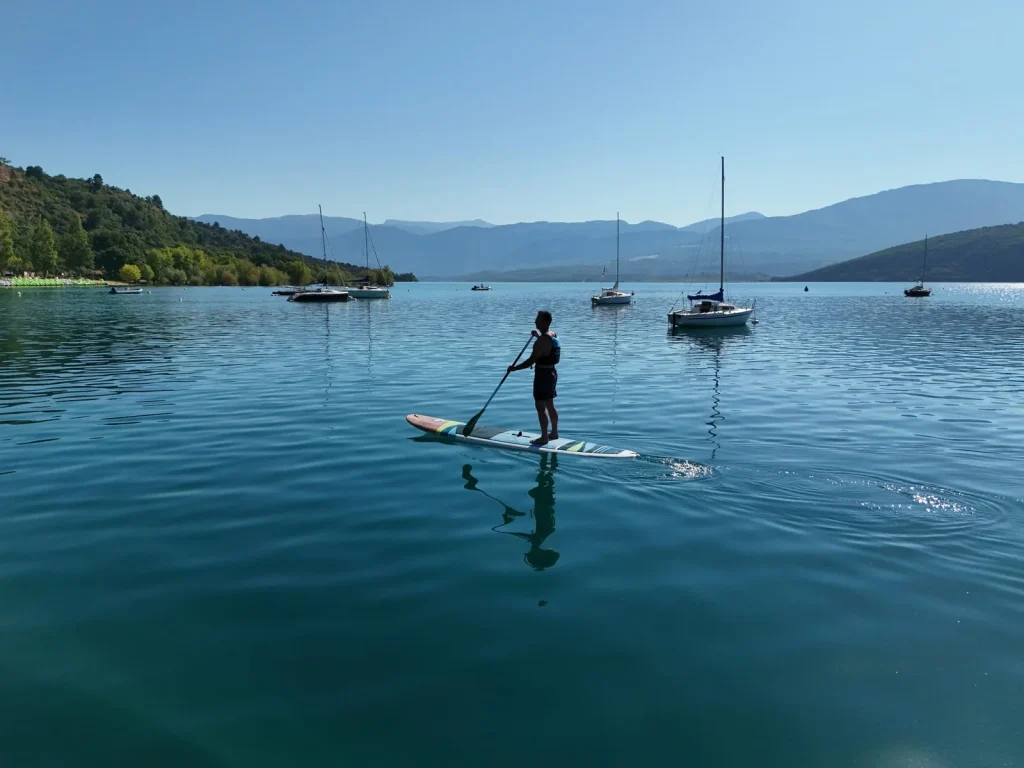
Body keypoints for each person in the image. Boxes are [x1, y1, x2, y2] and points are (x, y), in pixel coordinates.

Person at [507, 310, 560, 444]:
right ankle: (554, 433)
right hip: (552, 374)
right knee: (549, 404)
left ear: (545, 322)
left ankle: (544, 438)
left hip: (543, 376)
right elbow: (547, 349)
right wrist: (537, 336)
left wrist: (514, 368)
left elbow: (531, 361)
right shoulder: (552, 335)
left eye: (538, 320)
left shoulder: (542, 340)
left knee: (540, 406)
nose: (535, 322)